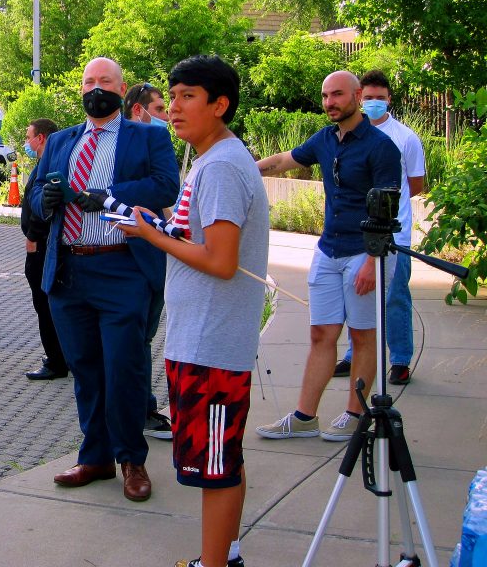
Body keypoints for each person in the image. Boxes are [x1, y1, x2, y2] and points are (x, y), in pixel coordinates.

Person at [117, 56, 268, 567]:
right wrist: (161, 226)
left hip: (211, 345)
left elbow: (222, 262)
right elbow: (199, 237)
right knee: (223, 458)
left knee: (214, 469)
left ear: (219, 105)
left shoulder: (221, 166)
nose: (175, 109)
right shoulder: (210, 160)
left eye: (188, 97)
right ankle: (226, 554)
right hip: (202, 340)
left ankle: (214, 563)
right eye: (173, 97)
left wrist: (152, 236)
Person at [30, 57, 179, 503]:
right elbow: (33, 194)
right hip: (69, 271)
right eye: (89, 81)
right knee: (86, 370)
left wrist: (111, 196)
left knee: (124, 368)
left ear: (121, 87)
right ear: (80, 88)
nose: (96, 88)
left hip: (123, 268)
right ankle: (95, 457)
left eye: (106, 81)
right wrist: (44, 199)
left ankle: (132, 459)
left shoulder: (149, 135)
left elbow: (165, 186)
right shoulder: (60, 140)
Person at [255, 71, 401, 442]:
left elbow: (388, 211)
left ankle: (355, 415)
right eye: (324, 96)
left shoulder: (381, 147)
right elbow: (285, 159)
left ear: (357, 95)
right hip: (328, 249)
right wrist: (244, 170)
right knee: (321, 333)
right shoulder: (325, 138)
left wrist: (372, 262)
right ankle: (305, 417)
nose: (329, 102)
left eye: (337, 94)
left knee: (363, 336)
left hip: (365, 253)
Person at [334, 69, 426, 385]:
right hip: (356, 234)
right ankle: (353, 354)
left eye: (380, 98)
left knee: (395, 297)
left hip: (395, 235)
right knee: (356, 295)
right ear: (359, 97)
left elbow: (415, 184)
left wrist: (386, 210)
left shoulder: (405, 138)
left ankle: (400, 360)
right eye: (369, 97)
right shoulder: (347, 135)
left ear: (389, 100)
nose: (374, 102)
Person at [123, 83, 177, 439]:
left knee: (142, 339)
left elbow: (166, 198)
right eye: (159, 109)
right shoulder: (122, 151)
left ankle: (141, 408)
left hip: (154, 259)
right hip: (130, 259)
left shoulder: (158, 144)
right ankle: (140, 411)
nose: (166, 116)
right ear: (138, 111)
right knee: (135, 340)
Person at [20, 118, 66, 380]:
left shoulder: (49, 167)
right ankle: (61, 356)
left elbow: (43, 207)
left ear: (41, 138)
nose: (26, 143)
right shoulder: (47, 164)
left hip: (41, 246)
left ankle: (56, 361)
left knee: (44, 304)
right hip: (43, 244)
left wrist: (33, 237)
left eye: (29, 137)